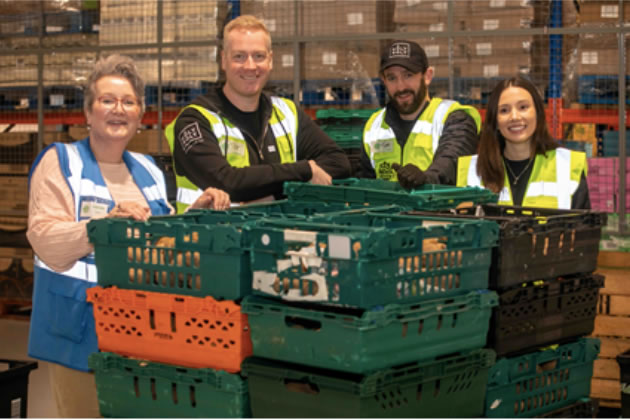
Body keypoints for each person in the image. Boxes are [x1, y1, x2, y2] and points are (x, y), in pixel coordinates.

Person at [26, 54, 230, 418]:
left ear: (140, 115)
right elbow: (45, 239)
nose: (118, 109)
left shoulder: (148, 169)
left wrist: (198, 212)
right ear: (88, 113)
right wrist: (104, 226)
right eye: (107, 100)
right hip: (79, 328)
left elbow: (161, 238)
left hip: (138, 328)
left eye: (128, 102)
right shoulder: (60, 161)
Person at [165, 15, 351, 212]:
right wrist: (304, 170)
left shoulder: (286, 112)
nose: (250, 66)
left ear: (270, 60)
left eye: (258, 56)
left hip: (277, 232)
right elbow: (226, 181)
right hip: (210, 236)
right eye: (239, 56)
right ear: (223, 60)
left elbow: (338, 163)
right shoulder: (195, 120)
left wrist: (270, 195)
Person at [360, 39, 481, 190]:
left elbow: (451, 164)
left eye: (408, 75)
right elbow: (366, 184)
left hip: (437, 213)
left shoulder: (454, 119)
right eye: (392, 78)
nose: (401, 86)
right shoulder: (374, 126)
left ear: (427, 76)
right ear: (383, 81)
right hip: (386, 213)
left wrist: (426, 178)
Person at [457, 75, 590, 209]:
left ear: (537, 113)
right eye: (504, 110)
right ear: (495, 121)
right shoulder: (471, 170)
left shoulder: (567, 165)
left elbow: (585, 228)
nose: (514, 117)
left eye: (523, 107)